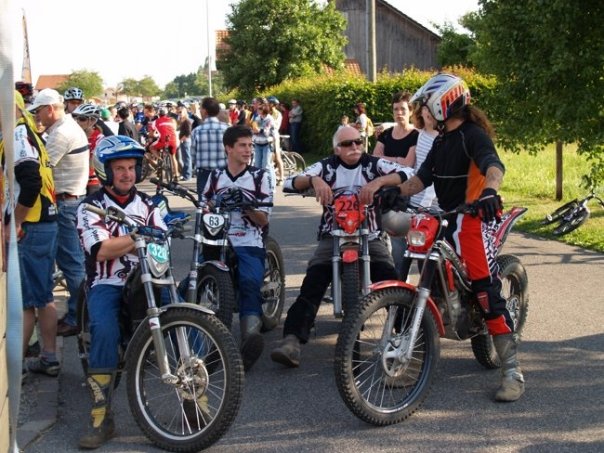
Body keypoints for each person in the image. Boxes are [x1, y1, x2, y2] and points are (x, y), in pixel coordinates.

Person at [392, 73, 525, 402]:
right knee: (426, 271)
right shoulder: (441, 140)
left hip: (474, 218)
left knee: (485, 289)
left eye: (426, 104)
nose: (423, 110)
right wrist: (396, 192)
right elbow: (422, 178)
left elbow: (493, 166)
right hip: (445, 217)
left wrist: (490, 192)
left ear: (444, 103)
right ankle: (412, 357)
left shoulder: (473, 135)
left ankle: (512, 371)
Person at [270, 125, 413, 368]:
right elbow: (289, 182)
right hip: (333, 236)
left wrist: (379, 182)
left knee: (392, 282)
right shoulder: (326, 167)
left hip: (370, 235)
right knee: (312, 283)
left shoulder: (373, 165)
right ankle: (291, 341)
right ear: (337, 148)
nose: (354, 147)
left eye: (358, 142)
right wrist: (314, 180)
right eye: (347, 144)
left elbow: (408, 172)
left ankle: (408, 338)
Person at [75, 135, 166, 449]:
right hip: (108, 282)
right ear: (105, 171)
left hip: (150, 278)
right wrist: (140, 234)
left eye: (131, 167)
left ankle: (196, 397)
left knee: (185, 313)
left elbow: (164, 238)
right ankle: (101, 416)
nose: (127, 174)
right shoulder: (90, 207)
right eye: (119, 168)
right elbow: (101, 250)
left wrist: (155, 234)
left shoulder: (150, 204)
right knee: (104, 330)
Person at [199, 125, 273, 370]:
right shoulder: (214, 176)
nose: (249, 150)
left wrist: (246, 205)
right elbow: (203, 207)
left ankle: (250, 337)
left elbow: (263, 220)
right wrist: (209, 207)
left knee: (250, 282)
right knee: (193, 282)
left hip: (248, 239)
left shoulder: (260, 176)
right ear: (228, 148)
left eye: (250, 145)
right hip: (217, 239)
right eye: (243, 145)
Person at [1, 91, 59, 376]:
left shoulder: (17, 135)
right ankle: (48, 357)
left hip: (33, 226)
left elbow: (31, 180)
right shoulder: (26, 132)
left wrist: (16, 222)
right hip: (42, 223)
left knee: (28, 302)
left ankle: (14, 372)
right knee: (41, 296)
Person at [28, 88, 89, 337]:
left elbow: (40, 168)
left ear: (50, 109)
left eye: (38, 111)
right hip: (71, 200)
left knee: (72, 264)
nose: (37, 116)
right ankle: (79, 313)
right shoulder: (66, 127)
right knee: (72, 262)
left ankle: (79, 317)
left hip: (66, 203)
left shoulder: (61, 133)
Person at [372, 91, 419, 279]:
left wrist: (387, 159)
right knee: (378, 237)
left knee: (399, 242)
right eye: (395, 109)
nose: (399, 113)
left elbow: (408, 164)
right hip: (383, 190)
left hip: (403, 191)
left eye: (403, 109)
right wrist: (397, 159)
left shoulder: (415, 135)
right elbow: (374, 159)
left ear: (411, 111)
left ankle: (401, 282)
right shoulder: (385, 134)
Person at [191, 96, 229, 195]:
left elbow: (193, 154)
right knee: (224, 201)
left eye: (200, 108)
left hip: (204, 173)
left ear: (204, 111)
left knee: (204, 202)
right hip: (224, 172)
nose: (200, 111)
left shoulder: (197, 131)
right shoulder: (227, 129)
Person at [72, 103, 104, 195]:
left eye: (81, 119)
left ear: (92, 121)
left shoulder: (99, 139)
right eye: (75, 118)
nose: (77, 122)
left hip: (93, 183)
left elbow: (92, 164)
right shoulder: (75, 136)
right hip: (77, 181)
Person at [146, 106, 180, 180]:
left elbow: (151, 134)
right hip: (173, 140)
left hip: (163, 140)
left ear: (158, 114)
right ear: (167, 113)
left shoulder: (155, 121)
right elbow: (174, 129)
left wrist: (154, 135)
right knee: (173, 157)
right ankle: (176, 175)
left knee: (151, 147)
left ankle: (160, 160)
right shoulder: (172, 120)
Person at [177, 104, 193, 181]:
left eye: (180, 112)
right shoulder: (182, 121)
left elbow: (188, 132)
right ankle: (185, 174)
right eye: (178, 112)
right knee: (184, 158)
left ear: (184, 112)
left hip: (186, 141)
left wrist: (182, 139)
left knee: (187, 158)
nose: (179, 113)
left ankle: (187, 175)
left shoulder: (187, 121)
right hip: (183, 140)